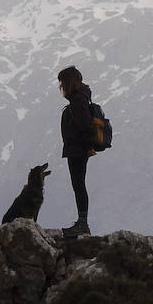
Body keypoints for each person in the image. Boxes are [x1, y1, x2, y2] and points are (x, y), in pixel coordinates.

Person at [57, 65, 96, 236]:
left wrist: (88, 147)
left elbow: (85, 125)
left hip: (77, 149)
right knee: (78, 185)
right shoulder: (81, 98)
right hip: (78, 148)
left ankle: (82, 224)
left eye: (62, 83)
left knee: (78, 185)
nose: (60, 87)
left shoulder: (78, 100)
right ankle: (82, 222)